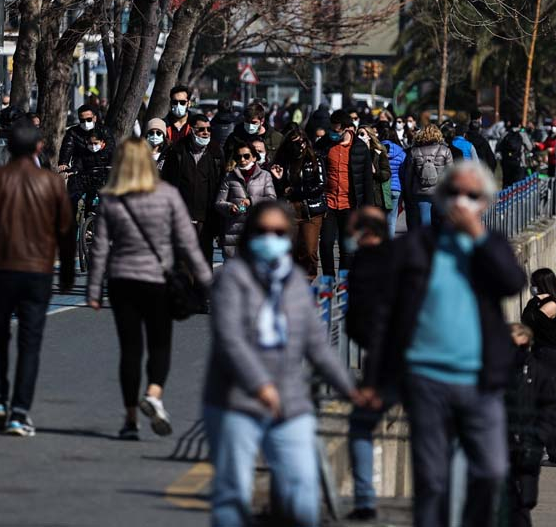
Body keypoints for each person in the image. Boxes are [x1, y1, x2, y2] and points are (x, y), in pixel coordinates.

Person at [362, 161, 527, 527]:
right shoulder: (417, 246)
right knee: (432, 480)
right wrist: (375, 380)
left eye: (471, 195)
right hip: (425, 377)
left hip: (479, 379)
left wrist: (478, 239)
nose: (461, 202)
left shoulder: (491, 245)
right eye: (453, 194)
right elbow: (385, 315)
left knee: (490, 470)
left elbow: (512, 281)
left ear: (484, 203)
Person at [203, 201, 359, 527]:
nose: (270, 238)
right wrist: (261, 386)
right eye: (262, 231)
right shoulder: (232, 279)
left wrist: (350, 389)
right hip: (235, 401)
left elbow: (316, 344)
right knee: (233, 493)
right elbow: (231, 340)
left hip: (289, 401)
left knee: (302, 486)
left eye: (278, 232)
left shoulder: (296, 284)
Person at [86, 138, 211, 439]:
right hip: (157, 280)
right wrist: (207, 281)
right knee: (160, 343)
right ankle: (153, 394)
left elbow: (100, 246)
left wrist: (93, 289)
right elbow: (187, 242)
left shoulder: (111, 198)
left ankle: (130, 420)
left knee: (130, 350)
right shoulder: (167, 195)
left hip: (121, 281)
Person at [0, 121, 75, 436]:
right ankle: (19, 411)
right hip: (37, 271)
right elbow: (66, 230)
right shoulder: (50, 184)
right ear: (38, 148)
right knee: (30, 341)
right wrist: (65, 273)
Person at [344, 206, 394, 521]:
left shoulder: (364, 264)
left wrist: (370, 379)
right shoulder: (406, 256)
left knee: (360, 426)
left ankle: (365, 500)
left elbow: (368, 323)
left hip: (386, 363)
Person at [504, 323, 556, 527]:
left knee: (524, 501)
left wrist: (538, 438)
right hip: (500, 445)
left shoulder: (539, 373)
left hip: (528, 447)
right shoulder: (495, 372)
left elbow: (550, 408)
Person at [520, 269, 556, 468]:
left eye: (534, 283)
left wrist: (535, 302)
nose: (532, 287)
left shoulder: (550, 305)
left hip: (547, 357)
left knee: (548, 405)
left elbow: (531, 322)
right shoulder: (543, 304)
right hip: (539, 356)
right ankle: (550, 452)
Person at [315, 109, 375, 277]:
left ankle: (344, 283)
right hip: (329, 204)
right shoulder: (324, 145)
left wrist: (367, 210)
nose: (333, 134)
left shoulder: (360, 148)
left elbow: (367, 180)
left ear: (348, 128)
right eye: (332, 130)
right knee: (326, 244)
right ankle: (328, 279)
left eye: (337, 130)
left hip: (350, 205)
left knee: (347, 247)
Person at [161, 114, 225, 265]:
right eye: (201, 129)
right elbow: (167, 183)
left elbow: (221, 184)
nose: (206, 133)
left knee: (204, 261)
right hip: (182, 217)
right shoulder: (177, 151)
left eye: (208, 129)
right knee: (183, 263)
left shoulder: (216, 153)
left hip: (206, 219)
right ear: (191, 130)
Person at [268, 126, 326, 279]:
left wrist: (295, 191)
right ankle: (293, 281)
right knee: (291, 250)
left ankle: (308, 279)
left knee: (309, 250)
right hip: (290, 210)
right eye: (295, 143)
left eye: (302, 142)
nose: (300, 146)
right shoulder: (283, 161)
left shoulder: (314, 159)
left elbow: (320, 185)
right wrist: (278, 179)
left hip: (310, 210)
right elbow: (278, 190)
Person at [216, 141, 277, 259]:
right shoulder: (229, 176)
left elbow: (271, 200)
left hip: (257, 229)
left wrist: (252, 200)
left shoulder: (265, 176)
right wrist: (229, 207)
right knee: (233, 272)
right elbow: (219, 203)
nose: (242, 159)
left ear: (254, 157)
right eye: (239, 157)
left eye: (246, 156)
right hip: (234, 231)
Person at [403, 123, 453, 228]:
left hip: (421, 192)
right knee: (441, 223)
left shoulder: (414, 151)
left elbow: (409, 175)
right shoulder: (445, 151)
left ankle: (426, 243)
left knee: (425, 224)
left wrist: (408, 193)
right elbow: (451, 174)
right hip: (440, 192)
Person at [357, 125, 392, 211]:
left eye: (362, 134)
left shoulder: (378, 153)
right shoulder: (355, 152)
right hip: (360, 197)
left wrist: (375, 171)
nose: (359, 136)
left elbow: (386, 174)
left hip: (375, 198)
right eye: (357, 134)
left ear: (369, 136)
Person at [380, 127, 407, 237]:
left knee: (380, 218)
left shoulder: (376, 149)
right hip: (396, 188)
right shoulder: (401, 152)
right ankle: (389, 244)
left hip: (381, 187)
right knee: (391, 219)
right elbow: (404, 171)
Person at [497, 116, 533, 188]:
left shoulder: (505, 134)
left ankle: (505, 198)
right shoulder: (522, 134)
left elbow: (498, 146)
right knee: (518, 185)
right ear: (519, 124)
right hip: (519, 163)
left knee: (506, 184)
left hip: (506, 163)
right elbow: (530, 147)